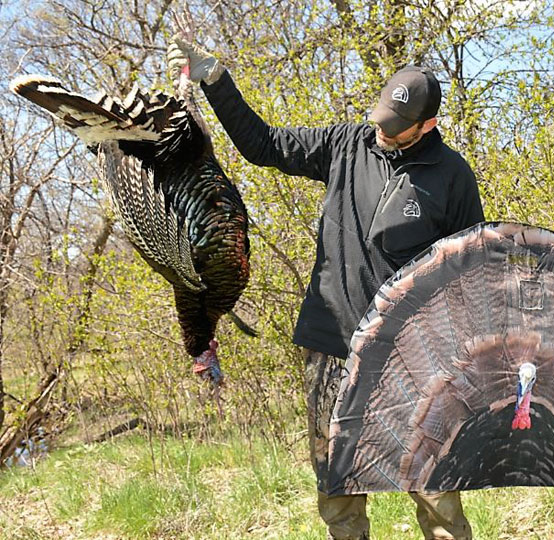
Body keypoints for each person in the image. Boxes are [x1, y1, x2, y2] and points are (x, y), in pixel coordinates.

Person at [168, 36, 484, 540]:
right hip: (332, 345)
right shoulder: (345, 145)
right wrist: (215, 80)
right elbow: (262, 145)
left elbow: (467, 271)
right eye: (381, 120)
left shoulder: (452, 177)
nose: (383, 133)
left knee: (434, 483)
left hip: (414, 356)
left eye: (397, 128)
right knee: (337, 481)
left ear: (428, 125)